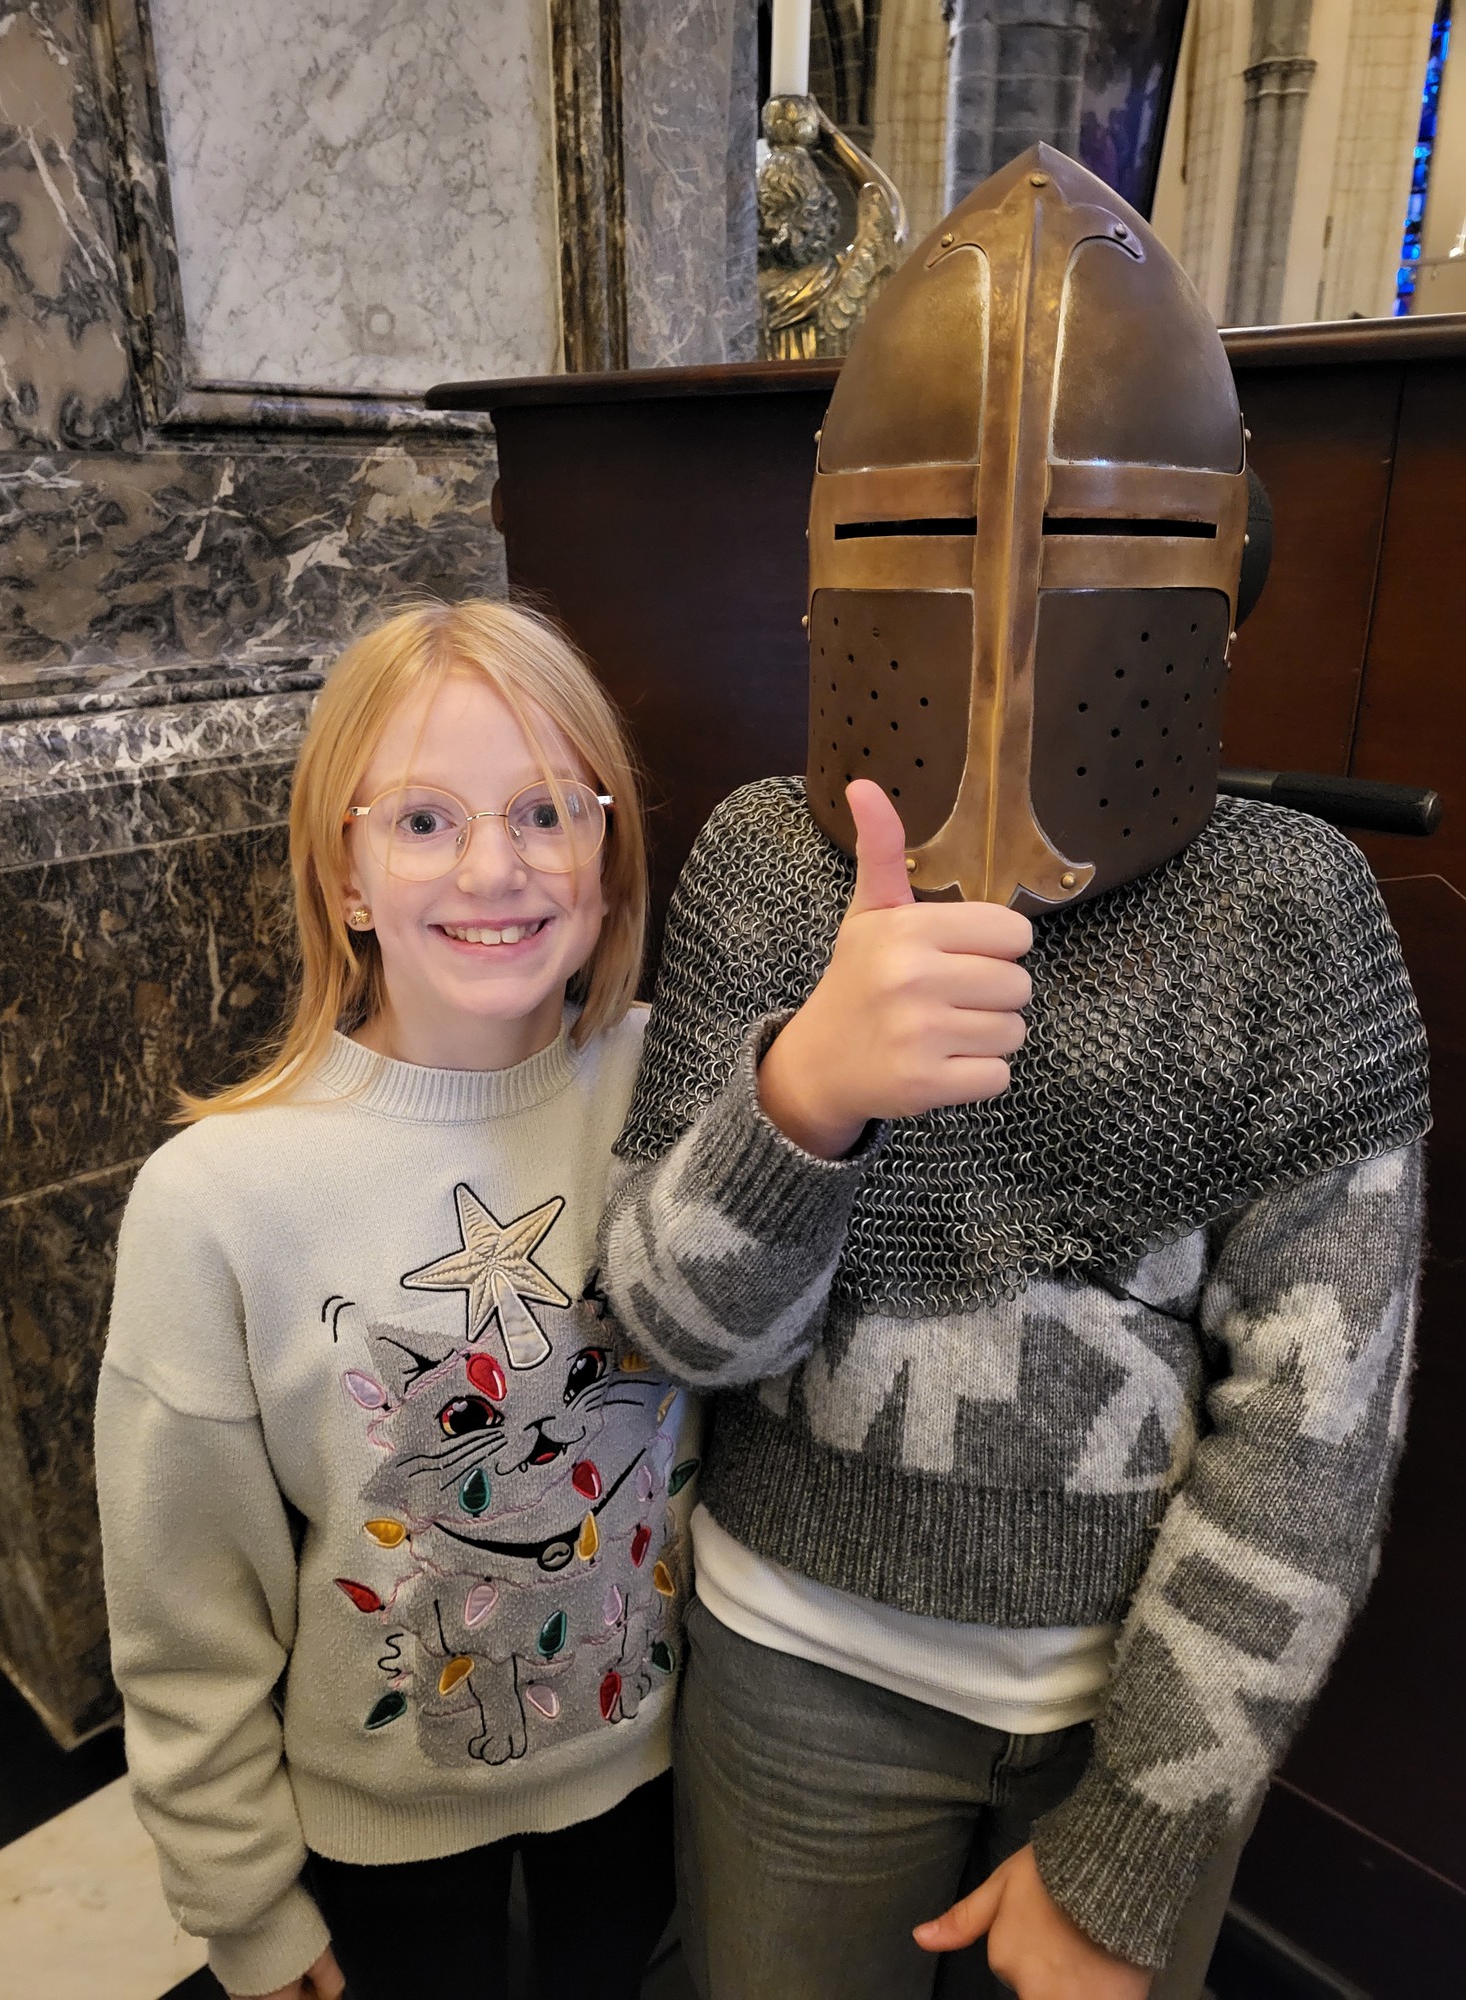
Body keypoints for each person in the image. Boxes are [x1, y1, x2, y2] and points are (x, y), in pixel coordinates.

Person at [599, 147, 1429, 2000]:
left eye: (1098, 536)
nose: (1007, 605)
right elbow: (665, 1333)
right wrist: (805, 1096)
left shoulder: (1288, 915)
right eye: (930, 530)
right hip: (794, 1678)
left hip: (1130, 1711)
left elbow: (1314, 1446)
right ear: (832, 560)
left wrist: (1137, 1851)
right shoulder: (761, 866)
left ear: (1220, 565)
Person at [95, 601, 695, 2000]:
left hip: (655, 1782)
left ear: (607, 853)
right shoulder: (217, 1199)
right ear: (347, 875)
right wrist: (241, 1896)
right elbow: (186, 1609)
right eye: (424, 820)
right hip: (382, 1844)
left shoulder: (682, 1090)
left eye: (546, 810)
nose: (494, 867)